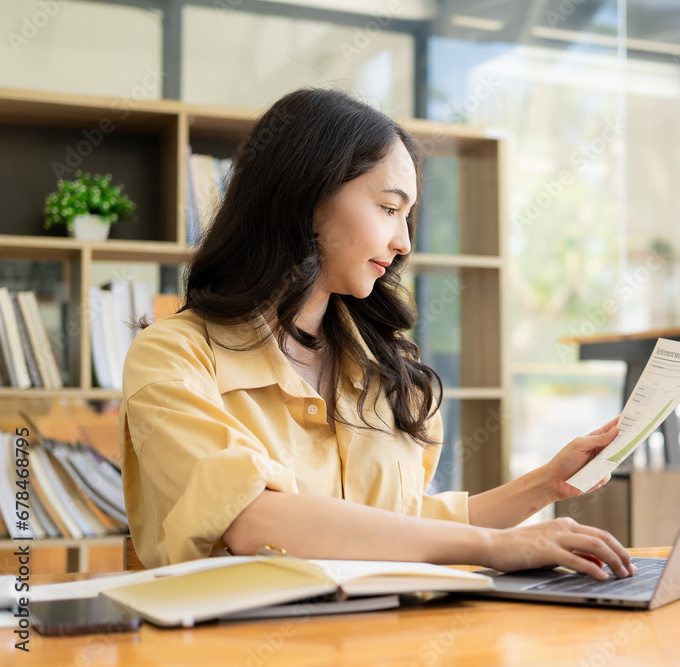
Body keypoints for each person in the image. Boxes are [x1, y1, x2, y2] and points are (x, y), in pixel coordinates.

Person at [120, 87, 633, 580]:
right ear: (306, 197)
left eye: (407, 217)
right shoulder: (172, 357)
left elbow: (403, 529)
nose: (404, 241)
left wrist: (544, 484)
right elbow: (255, 521)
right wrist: (494, 548)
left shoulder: (381, 367)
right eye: (389, 209)